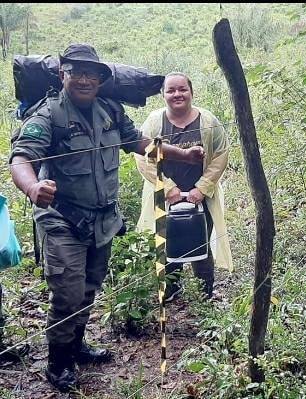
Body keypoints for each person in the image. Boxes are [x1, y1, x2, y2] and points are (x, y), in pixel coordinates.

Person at [9, 44, 204, 393]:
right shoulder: (47, 115)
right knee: (67, 292)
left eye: (91, 73)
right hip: (62, 219)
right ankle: (58, 362)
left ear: (101, 78)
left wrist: (184, 155)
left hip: (102, 219)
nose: (84, 79)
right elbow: (20, 159)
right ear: (62, 75)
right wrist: (33, 186)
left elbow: (142, 143)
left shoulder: (110, 111)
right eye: (76, 72)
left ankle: (78, 345)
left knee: (89, 287)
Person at [135, 72, 233, 302]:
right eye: (171, 90)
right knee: (166, 244)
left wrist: (202, 188)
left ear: (191, 92)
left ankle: (204, 294)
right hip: (165, 198)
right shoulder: (153, 122)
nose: (177, 94)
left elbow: (220, 154)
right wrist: (167, 188)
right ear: (163, 95)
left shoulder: (208, 122)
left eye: (182, 89)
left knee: (202, 243)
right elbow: (142, 158)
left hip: (200, 198)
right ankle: (171, 291)